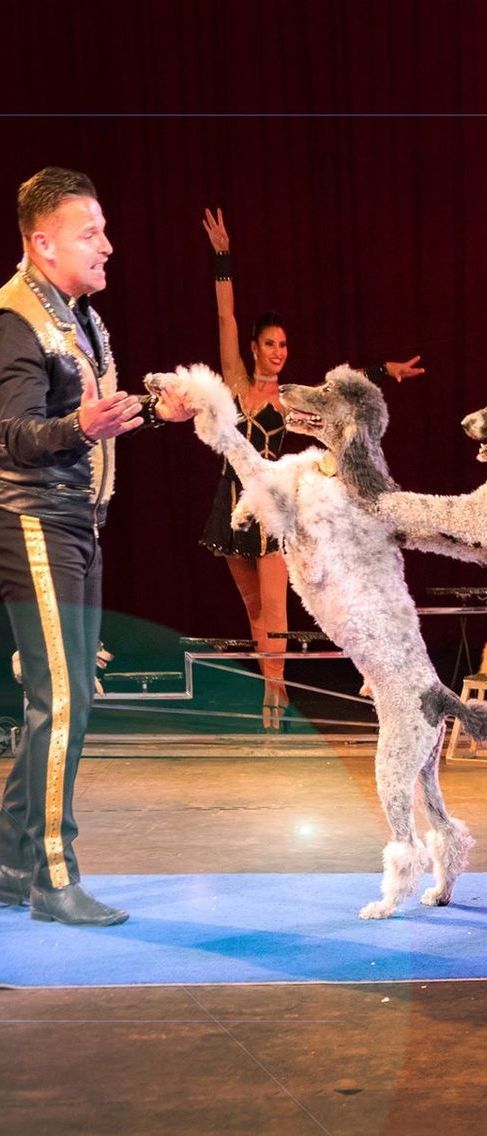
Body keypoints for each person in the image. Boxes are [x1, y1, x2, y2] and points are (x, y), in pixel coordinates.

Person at [0, 167, 192, 925]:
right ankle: (52, 876)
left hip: (75, 521)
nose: (107, 246)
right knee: (64, 700)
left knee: (67, 699)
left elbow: (90, 418)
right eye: (90, 234)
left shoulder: (72, 314)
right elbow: (16, 435)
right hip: (35, 522)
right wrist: (85, 427)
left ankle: (14, 860)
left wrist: (151, 411)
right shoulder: (16, 317)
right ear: (42, 243)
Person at [199, 207, 424, 727]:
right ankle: (270, 692)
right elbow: (225, 319)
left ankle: (274, 699)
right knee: (254, 611)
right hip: (233, 504)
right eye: (271, 343)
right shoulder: (236, 382)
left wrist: (382, 371)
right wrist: (223, 261)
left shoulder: (291, 398)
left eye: (284, 345)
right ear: (255, 347)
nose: (279, 352)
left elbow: (337, 389)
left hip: (276, 511)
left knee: (275, 609)